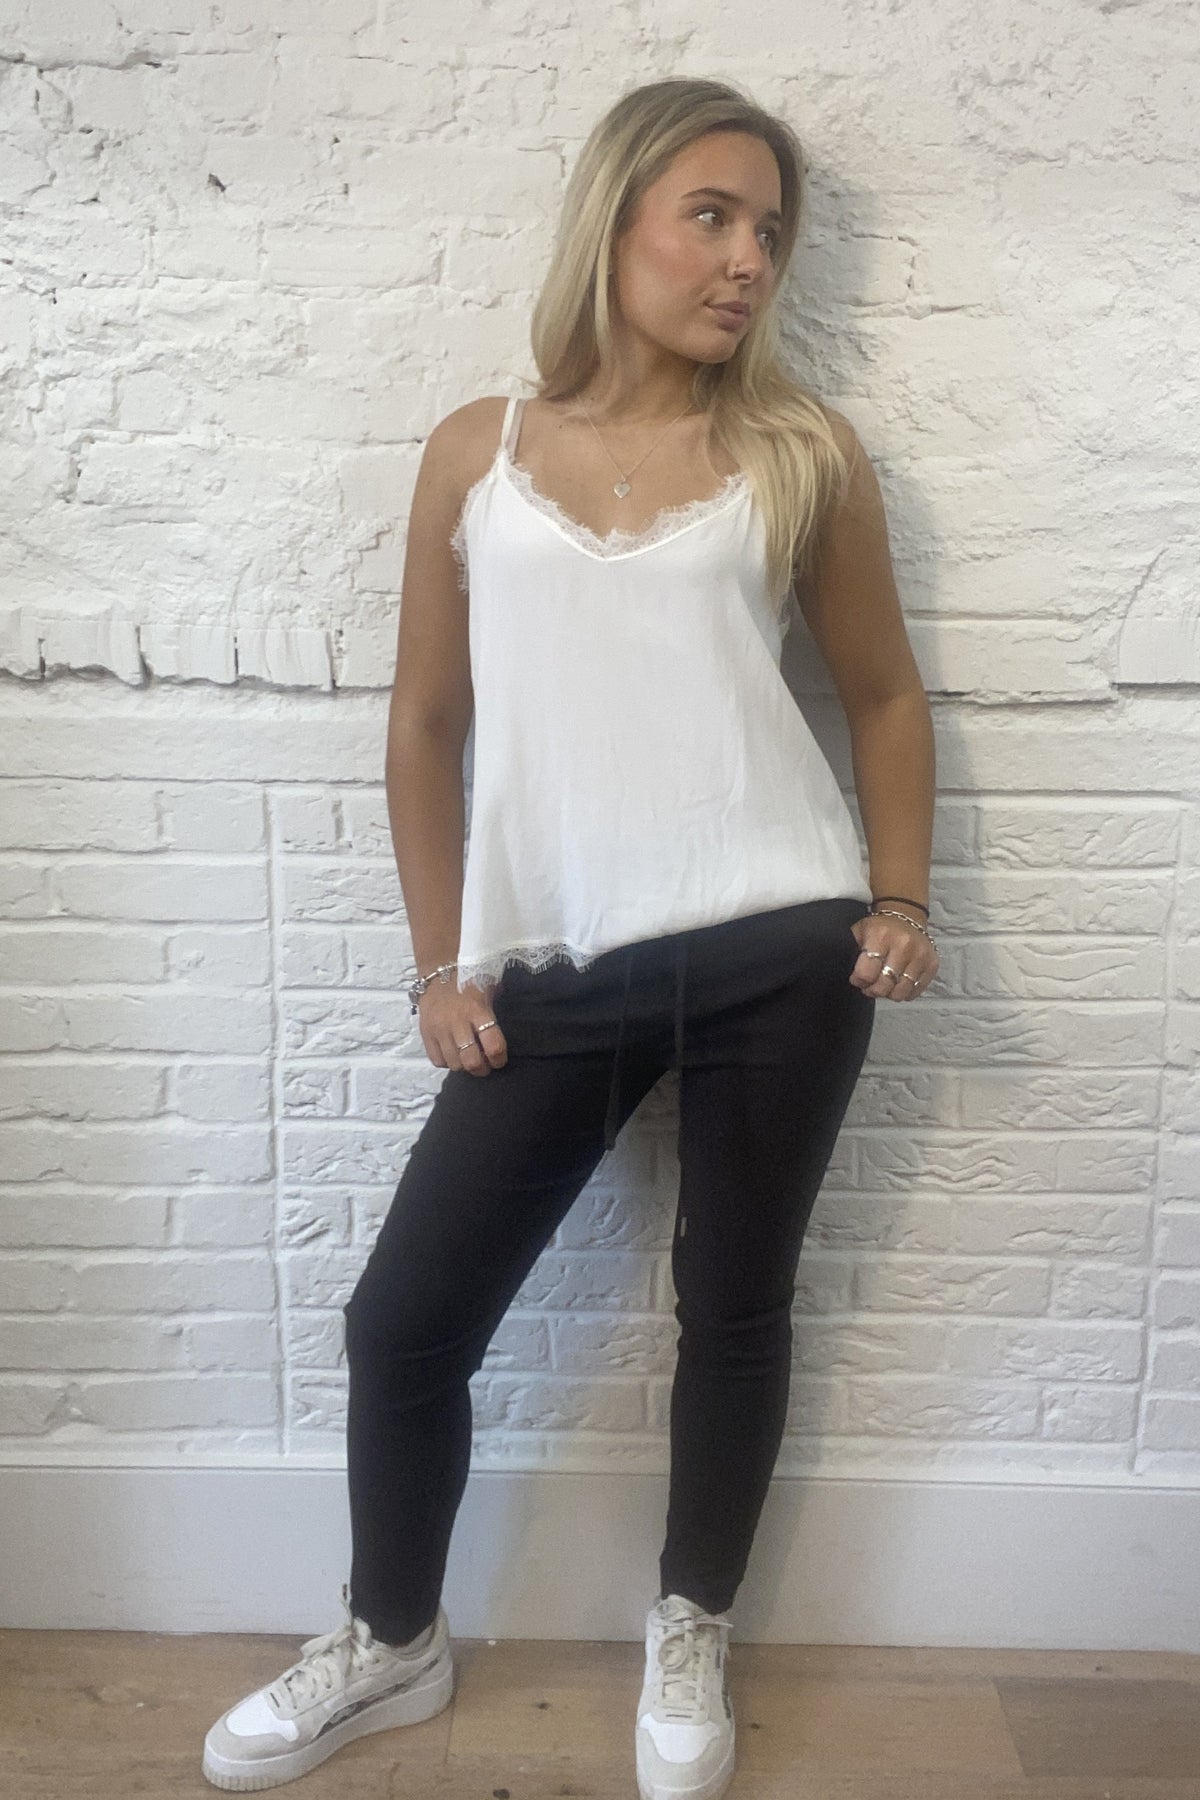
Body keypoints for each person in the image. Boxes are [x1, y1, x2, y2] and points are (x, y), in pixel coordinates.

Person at [202, 74, 937, 1800]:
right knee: (405, 1324)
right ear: (614, 221)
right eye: (712, 216)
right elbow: (423, 724)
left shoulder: (801, 453)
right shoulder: (479, 452)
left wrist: (900, 897)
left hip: (782, 953)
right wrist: (439, 961)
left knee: (734, 1305)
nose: (747, 260)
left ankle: (693, 1622)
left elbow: (887, 696)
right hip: (550, 973)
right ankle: (393, 1639)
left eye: (772, 232)